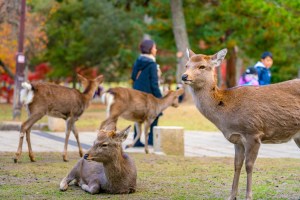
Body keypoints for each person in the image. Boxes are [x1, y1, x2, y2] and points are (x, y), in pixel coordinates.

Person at [131, 39, 162, 147]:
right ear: (150, 49)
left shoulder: (138, 60)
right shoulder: (152, 64)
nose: (156, 49)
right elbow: (154, 83)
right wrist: (160, 97)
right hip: (148, 95)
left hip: (136, 93)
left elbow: (133, 77)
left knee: (138, 115)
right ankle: (151, 140)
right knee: (156, 115)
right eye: (154, 47)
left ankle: (137, 140)